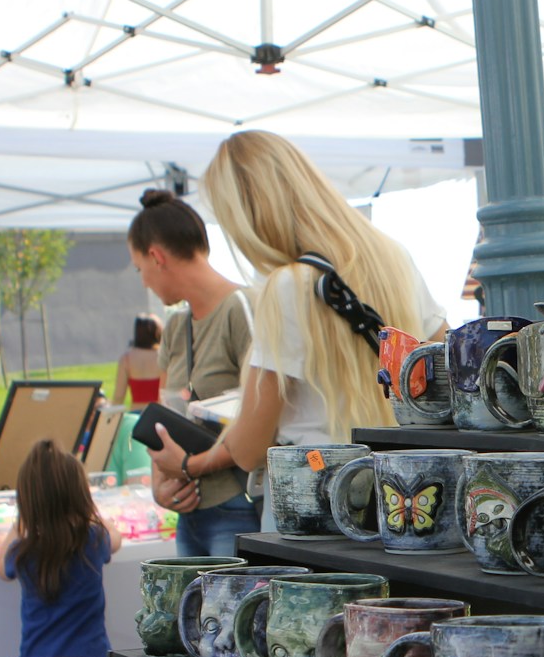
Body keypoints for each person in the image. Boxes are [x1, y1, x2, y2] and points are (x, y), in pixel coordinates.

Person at [149, 130, 446, 505]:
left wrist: (191, 460)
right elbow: (441, 365)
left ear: (249, 214)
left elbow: (249, 448)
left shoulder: (288, 286)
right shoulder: (393, 257)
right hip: (397, 490)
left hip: (315, 495)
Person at [126, 187, 258, 556]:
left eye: (140, 269)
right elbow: (163, 417)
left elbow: (263, 423)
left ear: (156, 257)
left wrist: (187, 465)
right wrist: (160, 485)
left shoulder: (242, 309)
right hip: (189, 512)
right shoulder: (175, 326)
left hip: (239, 507)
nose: (144, 281)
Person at [0, 439, 123, 657]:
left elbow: (2, 568)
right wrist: (96, 515)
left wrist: (19, 524)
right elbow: (116, 539)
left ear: (28, 502)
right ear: (81, 496)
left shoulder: (24, 552)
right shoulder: (93, 539)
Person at [110, 314, 165, 406]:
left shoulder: (126, 358)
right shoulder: (163, 356)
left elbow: (119, 397)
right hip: (158, 413)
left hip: (136, 414)